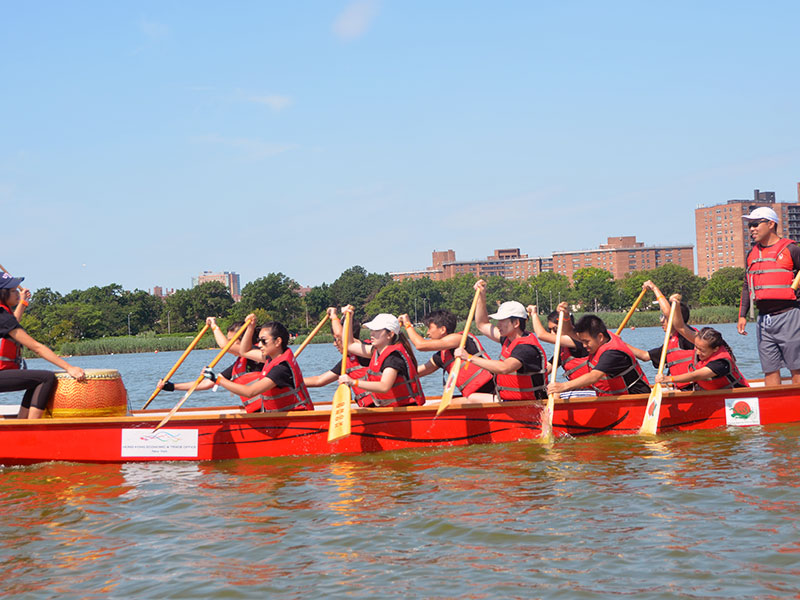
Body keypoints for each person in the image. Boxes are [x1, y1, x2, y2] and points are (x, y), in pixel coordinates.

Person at [0, 273, 86, 418]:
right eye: (13, 291)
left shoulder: (3, 314)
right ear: (3, 293)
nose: (17, 293)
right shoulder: (2, 315)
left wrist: (23, 302)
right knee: (46, 377)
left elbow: (12, 323)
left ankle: (22, 422)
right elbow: (36, 347)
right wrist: (69, 368)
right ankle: (32, 428)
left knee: (35, 380)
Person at [453, 280, 548, 401]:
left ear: (516, 323)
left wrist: (469, 357)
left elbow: (504, 368)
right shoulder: (508, 339)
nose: (498, 325)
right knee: (470, 397)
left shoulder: (526, 348)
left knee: (470, 399)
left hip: (527, 403)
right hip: (508, 399)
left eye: (502, 321)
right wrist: (481, 296)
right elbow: (482, 324)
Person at [738, 206, 800, 386]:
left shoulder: (791, 249)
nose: (751, 229)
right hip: (764, 320)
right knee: (770, 368)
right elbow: (746, 285)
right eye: (750, 225)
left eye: (756, 224)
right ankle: (777, 410)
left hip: (790, 315)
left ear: (771, 224)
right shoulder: (752, 254)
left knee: (796, 367)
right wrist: (742, 315)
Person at [205, 316, 313, 412]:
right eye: (259, 340)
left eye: (264, 341)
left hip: (296, 418)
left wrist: (217, 379)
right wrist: (251, 327)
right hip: (278, 418)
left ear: (277, 341)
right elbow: (245, 352)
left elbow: (250, 392)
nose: (260, 345)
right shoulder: (269, 358)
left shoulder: (281, 368)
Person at [398, 309, 496, 401]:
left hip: (493, 394)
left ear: (442, 329)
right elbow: (417, 372)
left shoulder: (459, 339)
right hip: (475, 397)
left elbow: (420, 345)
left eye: (430, 328)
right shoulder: (441, 356)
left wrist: (407, 324)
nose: (427, 333)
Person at [657, 294, 749, 390]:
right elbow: (680, 327)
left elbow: (695, 376)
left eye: (702, 350)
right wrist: (677, 305)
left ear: (715, 349)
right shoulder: (701, 340)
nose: (697, 352)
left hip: (735, 399)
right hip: (712, 396)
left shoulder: (721, 363)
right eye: (696, 347)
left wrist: (668, 378)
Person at [548, 314, 650, 397]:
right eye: (582, 341)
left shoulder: (612, 354)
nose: (584, 346)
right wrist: (565, 314)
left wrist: (563, 386)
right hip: (611, 398)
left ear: (600, 337)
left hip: (634, 397)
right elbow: (569, 332)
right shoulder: (599, 337)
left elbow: (594, 376)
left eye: (586, 342)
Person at [338, 310, 425, 407]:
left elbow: (384, 386)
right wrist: (348, 318)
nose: (372, 334)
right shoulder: (376, 351)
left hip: (404, 411)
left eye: (377, 331)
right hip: (388, 409)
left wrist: (353, 382)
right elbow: (349, 345)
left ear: (390, 334)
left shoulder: (393, 358)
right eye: (372, 330)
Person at [157, 319, 264, 395]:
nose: (229, 343)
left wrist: (214, 326)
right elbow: (208, 383)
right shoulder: (240, 362)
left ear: (245, 340)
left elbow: (225, 346)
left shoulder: (259, 353)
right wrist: (172, 386)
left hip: (269, 414)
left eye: (231, 340)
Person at [624, 281, 696, 390]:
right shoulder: (670, 342)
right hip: (681, 389)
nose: (662, 321)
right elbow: (645, 356)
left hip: (694, 390)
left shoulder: (687, 336)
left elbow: (669, 313)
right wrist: (620, 343)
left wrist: (654, 288)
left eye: (664, 318)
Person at [303, 307, 371, 405]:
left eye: (335, 340)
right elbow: (319, 380)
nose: (334, 344)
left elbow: (341, 335)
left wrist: (333, 316)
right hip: (367, 407)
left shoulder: (366, 351)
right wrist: (292, 381)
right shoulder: (346, 362)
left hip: (381, 408)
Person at [528, 302, 594, 397]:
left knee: (556, 394)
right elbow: (547, 368)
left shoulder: (578, 341)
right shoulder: (563, 349)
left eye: (555, 329)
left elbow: (541, 335)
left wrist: (534, 314)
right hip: (577, 391)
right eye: (549, 330)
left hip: (591, 392)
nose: (552, 333)